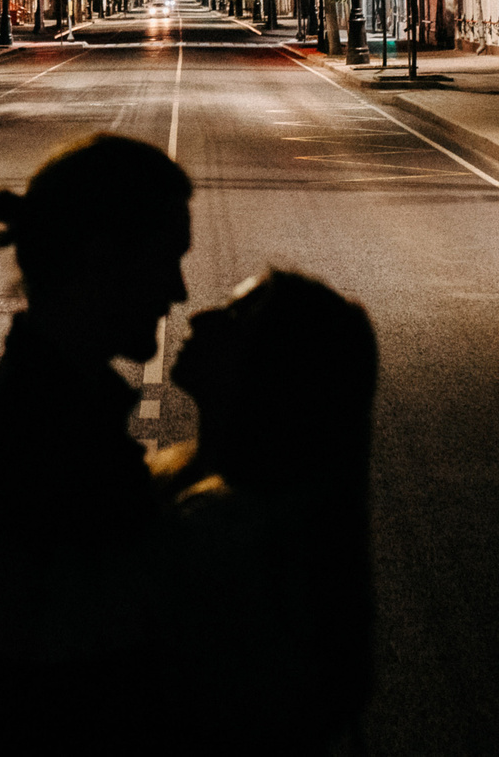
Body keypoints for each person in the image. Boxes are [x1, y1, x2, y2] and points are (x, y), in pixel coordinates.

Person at [0, 133, 193, 755]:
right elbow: (63, 651)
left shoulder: (58, 411)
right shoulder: (31, 435)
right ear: (102, 259)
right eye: (167, 258)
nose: (179, 292)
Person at [163, 268, 379, 754]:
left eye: (238, 317)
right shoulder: (265, 513)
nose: (199, 314)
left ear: (274, 373)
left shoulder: (221, 537)